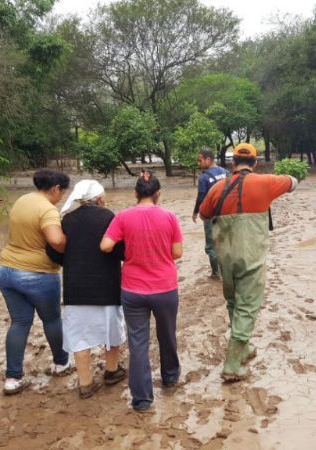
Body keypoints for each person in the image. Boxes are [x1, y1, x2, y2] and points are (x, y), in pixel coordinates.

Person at [198, 143, 298, 382]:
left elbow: (204, 214)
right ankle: (232, 364)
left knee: (233, 302)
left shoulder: (217, 188)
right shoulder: (266, 183)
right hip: (251, 256)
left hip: (225, 258)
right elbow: (293, 181)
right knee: (248, 305)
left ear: (232, 163)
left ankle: (243, 347)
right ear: (255, 163)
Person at [100, 170, 183, 412]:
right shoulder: (169, 216)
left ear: (135, 193)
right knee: (167, 334)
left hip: (132, 289)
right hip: (165, 288)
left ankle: (142, 399)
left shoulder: (123, 217)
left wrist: (129, 251)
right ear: (158, 194)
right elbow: (177, 253)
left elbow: (105, 246)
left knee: (137, 342)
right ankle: (170, 376)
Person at [46, 180, 127, 399]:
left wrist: (72, 261)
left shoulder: (67, 220)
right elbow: (121, 250)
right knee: (111, 331)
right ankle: (112, 371)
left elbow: (53, 251)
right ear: (98, 198)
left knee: (80, 336)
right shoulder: (108, 217)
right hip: (107, 286)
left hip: (76, 288)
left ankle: (85, 384)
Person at [0, 169, 72, 395]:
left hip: (6, 270)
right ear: (56, 189)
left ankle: (13, 378)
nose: (61, 197)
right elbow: (56, 240)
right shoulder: (47, 209)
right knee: (52, 319)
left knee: (19, 323)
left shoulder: (22, 200)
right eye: (62, 192)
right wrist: (70, 241)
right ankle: (61, 363)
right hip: (37, 274)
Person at [191, 148, 228, 279]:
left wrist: (195, 212)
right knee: (225, 242)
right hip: (226, 214)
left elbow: (201, 197)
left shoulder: (204, 177)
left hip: (210, 215)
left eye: (200, 160)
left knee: (211, 245)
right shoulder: (225, 172)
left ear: (208, 159)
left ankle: (216, 273)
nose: (198, 163)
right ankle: (227, 271)